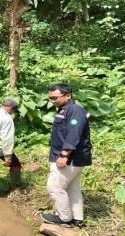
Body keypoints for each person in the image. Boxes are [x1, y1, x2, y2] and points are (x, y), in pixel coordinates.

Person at [41, 83, 91, 228]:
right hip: (73, 157)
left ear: (68, 96)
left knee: (54, 187)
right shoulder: (64, 110)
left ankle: (64, 218)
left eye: (55, 98)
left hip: (70, 158)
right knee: (72, 188)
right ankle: (77, 219)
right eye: (50, 98)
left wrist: (64, 155)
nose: (52, 101)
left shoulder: (75, 110)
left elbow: (73, 134)